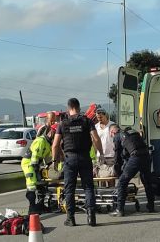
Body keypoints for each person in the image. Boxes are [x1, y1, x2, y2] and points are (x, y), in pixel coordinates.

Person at [52, 97, 103, 227]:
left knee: (69, 189)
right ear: (79, 108)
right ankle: (91, 217)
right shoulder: (86, 121)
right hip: (85, 157)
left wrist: (54, 160)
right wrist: (101, 153)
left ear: (69, 108)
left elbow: (55, 145)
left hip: (70, 159)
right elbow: (96, 139)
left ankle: (71, 218)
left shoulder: (63, 123)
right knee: (88, 187)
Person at [109, 125, 155, 217]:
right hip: (146, 156)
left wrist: (118, 172)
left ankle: (119, 209)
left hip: (136, 157)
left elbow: (118, 156)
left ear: (113, 132)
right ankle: (151, 206)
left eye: (110, 134)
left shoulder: (118, 136)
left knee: (122, 182)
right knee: (147, 181)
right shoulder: (132, 132)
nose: (111, 136)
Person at [21, 124, 56, 213]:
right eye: (56, 134)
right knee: (32, 185)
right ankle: (32, 208)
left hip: (36, 164)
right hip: (28, 163)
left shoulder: (48, 143)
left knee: (41, 185)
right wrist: (36, 167)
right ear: (51, 132)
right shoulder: (40, 141)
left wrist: (50, 165)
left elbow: (47, 157)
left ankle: (41, 205)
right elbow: (35, 156)